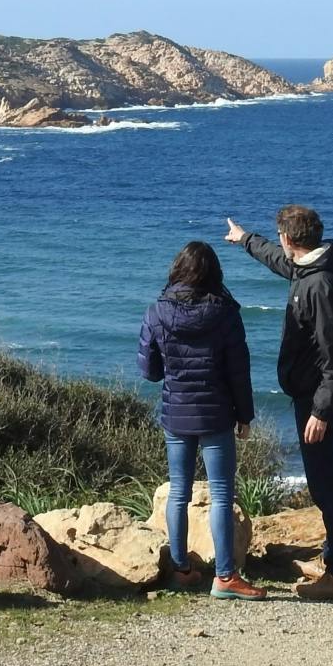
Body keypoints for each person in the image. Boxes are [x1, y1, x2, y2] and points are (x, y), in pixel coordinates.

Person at [224, 205, 333, 600]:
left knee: (325, 483)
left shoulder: (320, 285)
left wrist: (322, 411)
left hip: (316, 399)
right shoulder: (309, 267)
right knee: (322, 480)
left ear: (288, 238)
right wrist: (245, 239)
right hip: (309, 393)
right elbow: (279, 261)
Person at [136, 240, 265, 600]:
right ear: (214, 274)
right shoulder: (226, 313)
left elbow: (149, 371)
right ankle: (225, 577)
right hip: (216, 414)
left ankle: (181, 570)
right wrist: (245, 415)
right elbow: (239, 370)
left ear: (177, 269)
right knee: (221, 494)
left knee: (179, 491)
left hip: (175, 412)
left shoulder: (156, 312)